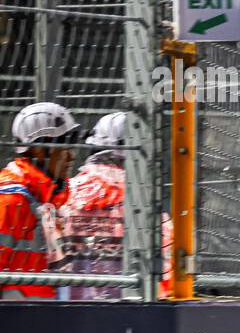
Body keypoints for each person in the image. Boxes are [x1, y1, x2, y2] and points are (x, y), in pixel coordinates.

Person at [58, 111, 173, 300]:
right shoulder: (144, 203)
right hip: (131, 307)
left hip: (67, 308)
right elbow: (167, 269)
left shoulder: (64, 194)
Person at [0, 102, 80, 299]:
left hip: (43, 318)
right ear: (38, 150)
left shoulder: (50, 200)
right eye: (64, 146)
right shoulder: (10, 199)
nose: (71, 156)